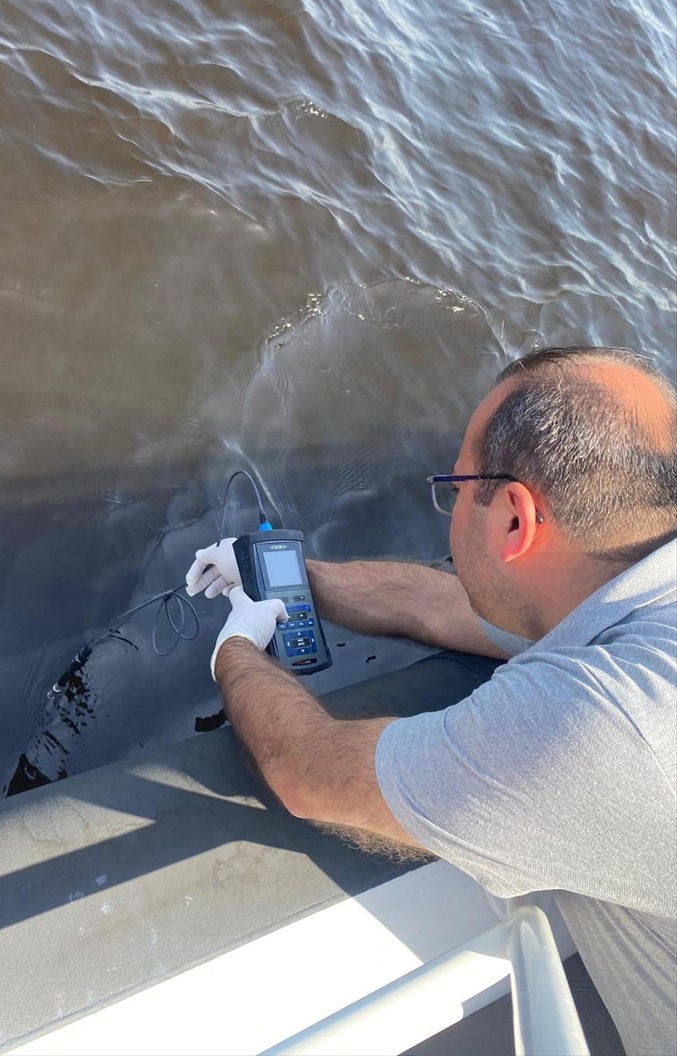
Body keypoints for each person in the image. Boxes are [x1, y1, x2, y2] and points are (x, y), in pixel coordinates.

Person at [185, 345, 676, 1056]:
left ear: (514, 519)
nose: (449, 505)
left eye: (456, 484)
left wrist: (235, 646)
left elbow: (310, 771)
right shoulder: (638, 580)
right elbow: (439, 605)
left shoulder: (605, 723)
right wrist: (287, 578)